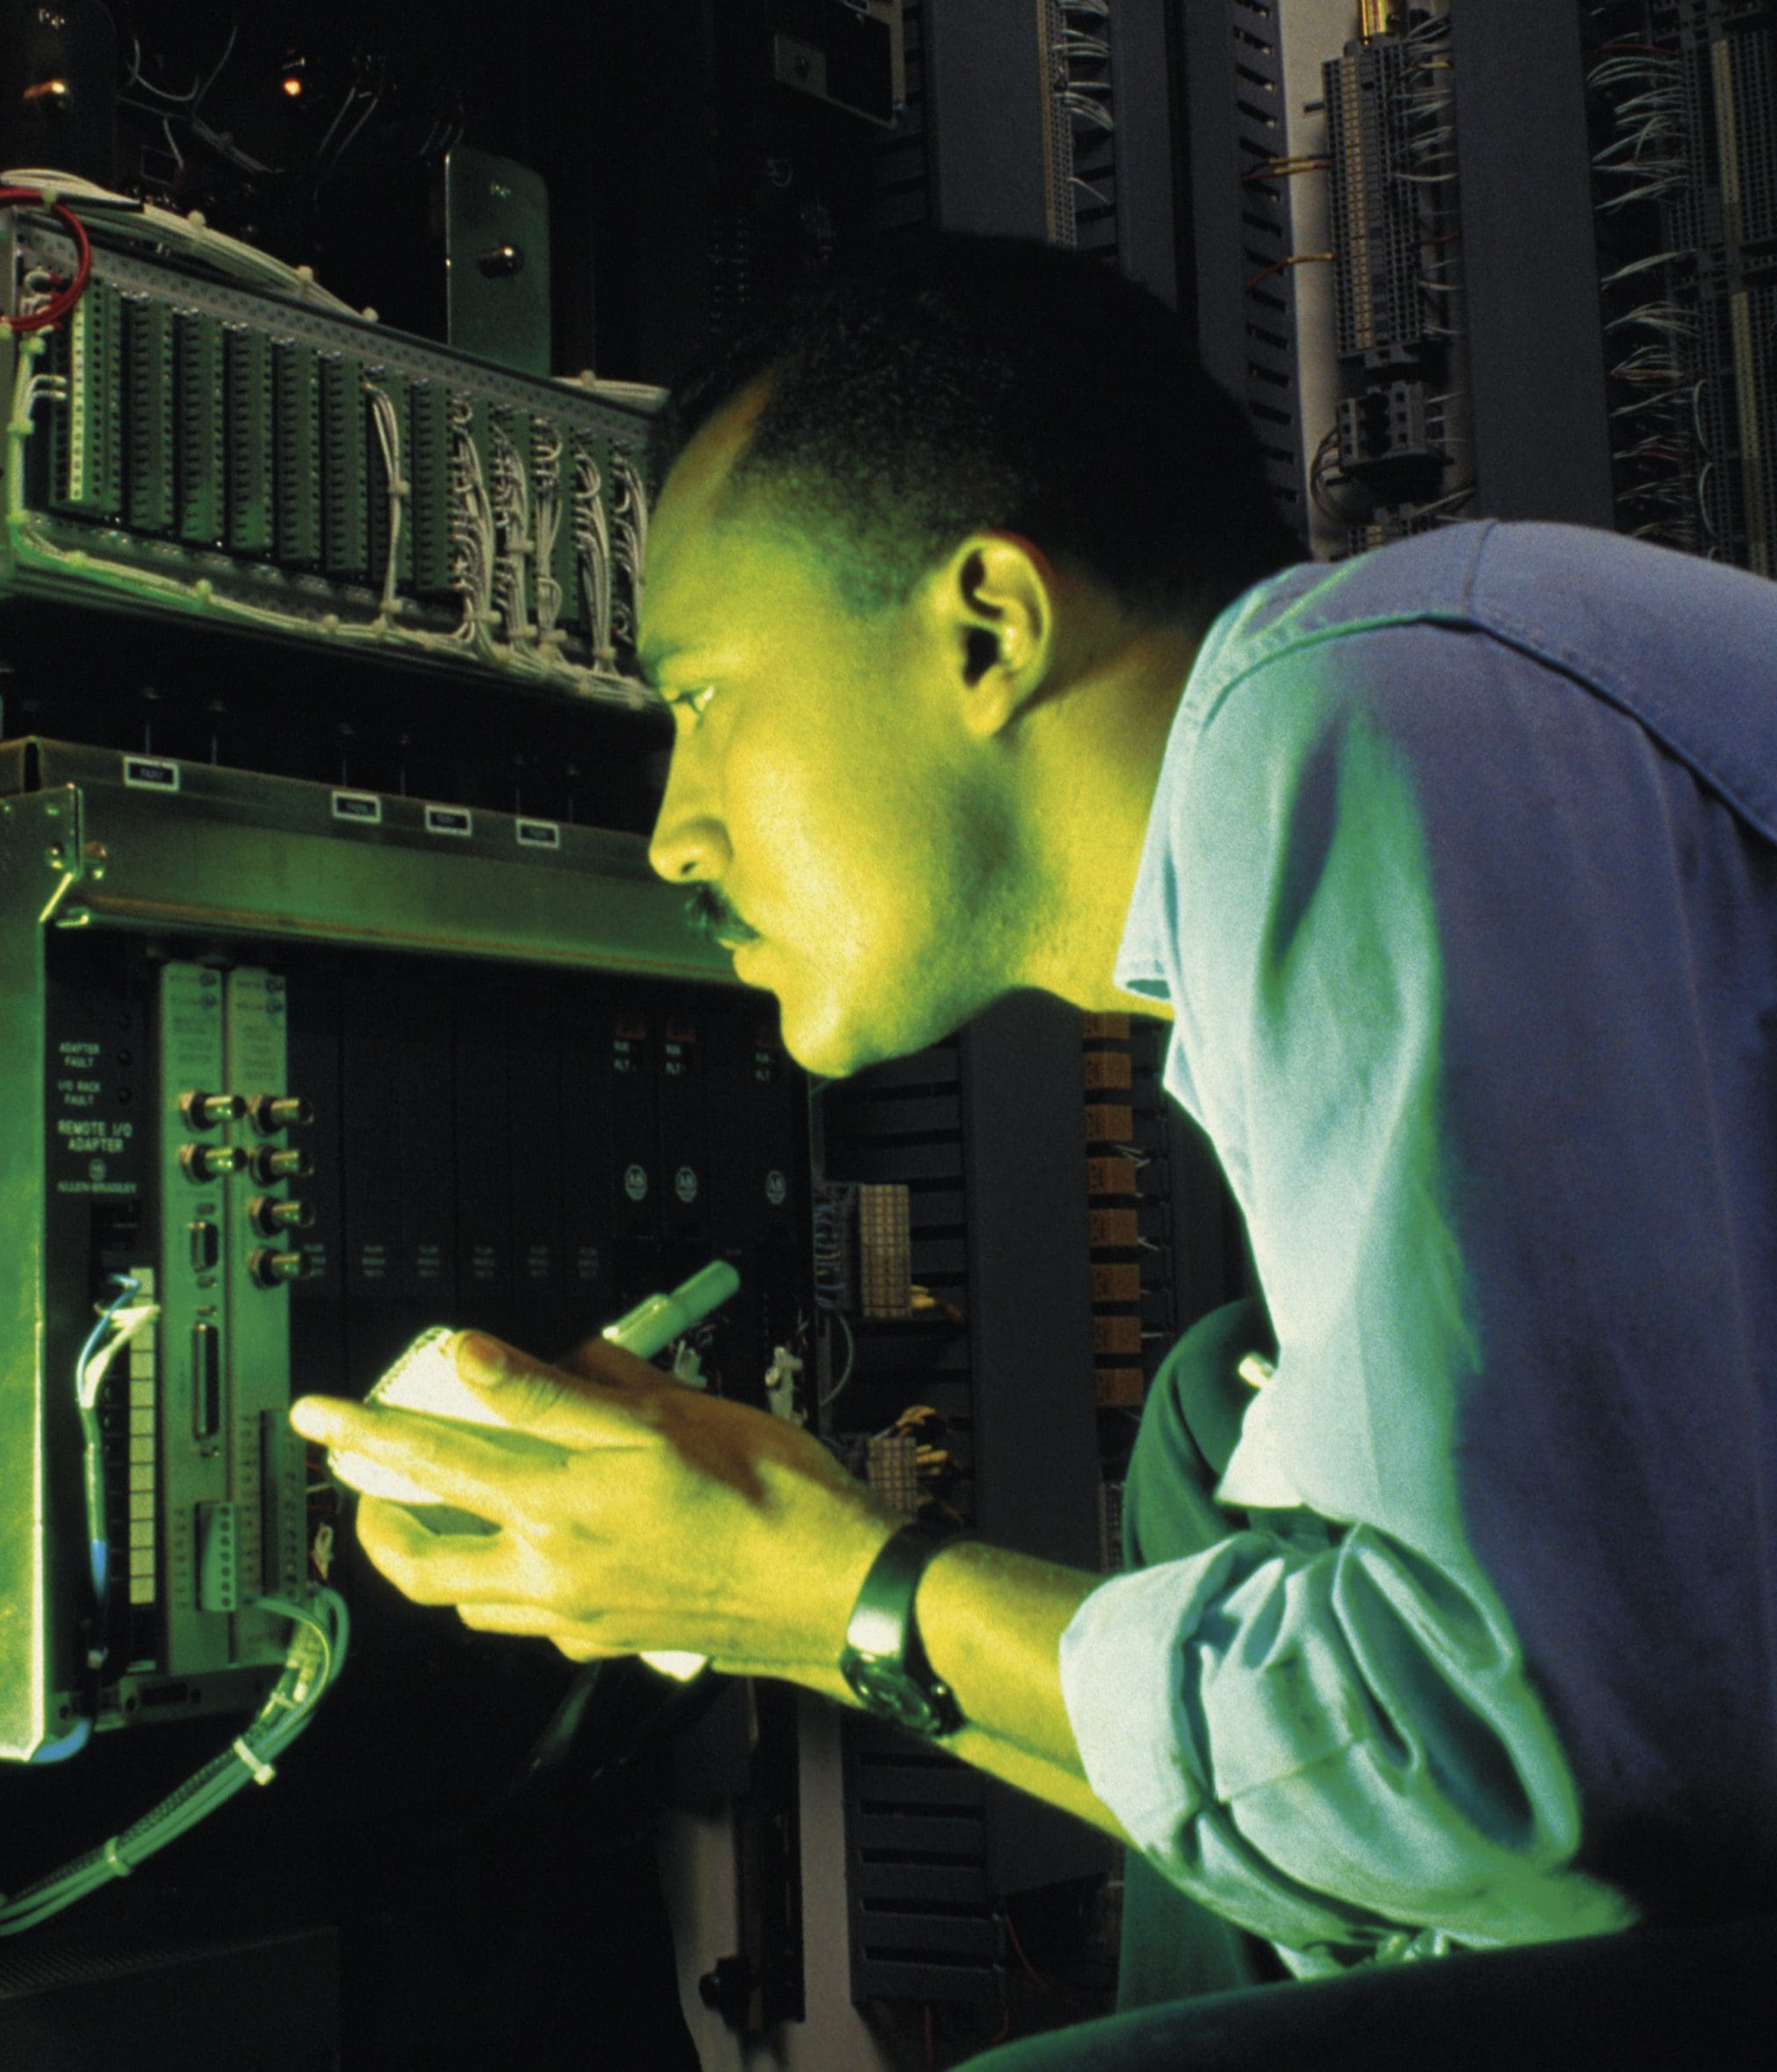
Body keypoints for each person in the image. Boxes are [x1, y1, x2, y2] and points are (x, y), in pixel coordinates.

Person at [289, 236, 1777, 2046]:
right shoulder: (1396, 731)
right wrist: (792, 1590)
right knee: (1212, 1419)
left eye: (697, 697)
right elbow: (1429, 1824)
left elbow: (1542, 1788)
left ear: (985, 627)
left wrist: (820, 1580)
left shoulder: (1361, 712)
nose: (671, 833)